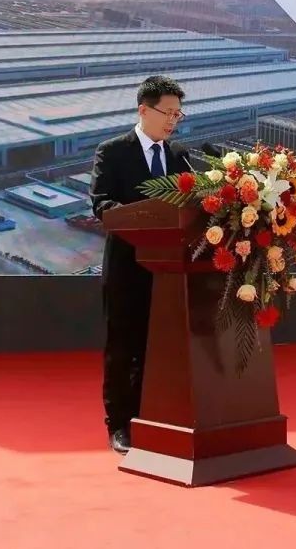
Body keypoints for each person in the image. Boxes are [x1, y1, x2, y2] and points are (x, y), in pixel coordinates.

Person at [89, 75, 191, 453]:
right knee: (123, 346)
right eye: (168, 113)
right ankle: (119, 424)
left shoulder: (179, 156)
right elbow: (102, 204)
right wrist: (145, 217)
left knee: (157, 346)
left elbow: (192, 204)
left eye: (178, 115)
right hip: (127, 266)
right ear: (143, 110)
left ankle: (153, 414)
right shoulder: (112, 152)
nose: (173, 121)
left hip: (169, 270)